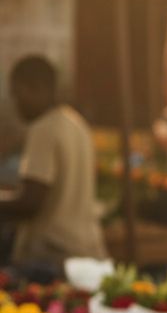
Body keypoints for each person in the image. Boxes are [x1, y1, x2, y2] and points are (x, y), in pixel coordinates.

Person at [0, 55, 107, 279]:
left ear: (38, 89)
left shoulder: (43, 128)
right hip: (86, 251)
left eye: (18, 94)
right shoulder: (75, 123)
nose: (16, 103)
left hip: (52, 258)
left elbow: (31, 202)